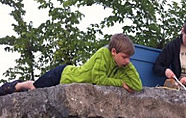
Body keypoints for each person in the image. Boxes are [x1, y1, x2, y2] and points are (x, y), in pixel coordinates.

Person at [0, 33, 142, 96]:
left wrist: (128, 65)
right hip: (62, 74)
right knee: (34, 89)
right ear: (113, 51)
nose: (127, 61)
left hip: (66, 78)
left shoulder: (122, 65)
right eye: (124, 57)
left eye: (129, 58)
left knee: (35, 89)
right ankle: (17, 85)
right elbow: (98, 79)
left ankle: (23, 86)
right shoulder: (103, 54)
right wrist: (121, 83)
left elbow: (137, 86)